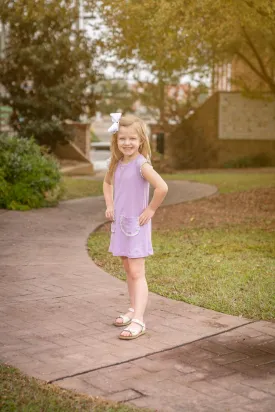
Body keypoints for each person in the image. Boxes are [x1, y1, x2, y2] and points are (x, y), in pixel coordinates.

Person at [103, 113, 168, 340]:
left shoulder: (142, 164)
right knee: (128, 269)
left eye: (132, 139)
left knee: (137, 272)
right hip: (120, 226)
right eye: (122, 139)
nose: (127, 143)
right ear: (116, 141)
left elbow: (162, 187)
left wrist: (150, 210)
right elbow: (107, 182)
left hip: (137, 226)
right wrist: (109, 204)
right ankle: (132, 309)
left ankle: (139, 320)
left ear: (141, 140)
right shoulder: (117, 163)